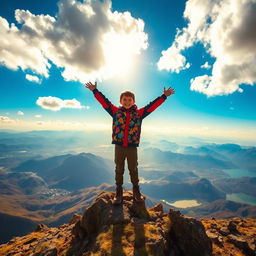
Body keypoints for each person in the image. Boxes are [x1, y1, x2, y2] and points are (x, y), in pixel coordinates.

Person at [86, 82, 175, 205]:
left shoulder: (139, 113)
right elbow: (104, 102)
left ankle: (136, 191)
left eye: (130, 100)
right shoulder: (115, 112)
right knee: (119, 169)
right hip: (119, 146)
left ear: (133, 101)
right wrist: (95, 91)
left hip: (132, 147)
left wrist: (164, 96)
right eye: (125, 100)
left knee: (133, 168)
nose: (127, 102)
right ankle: (118, 192)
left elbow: (152, 106)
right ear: (121, 101)